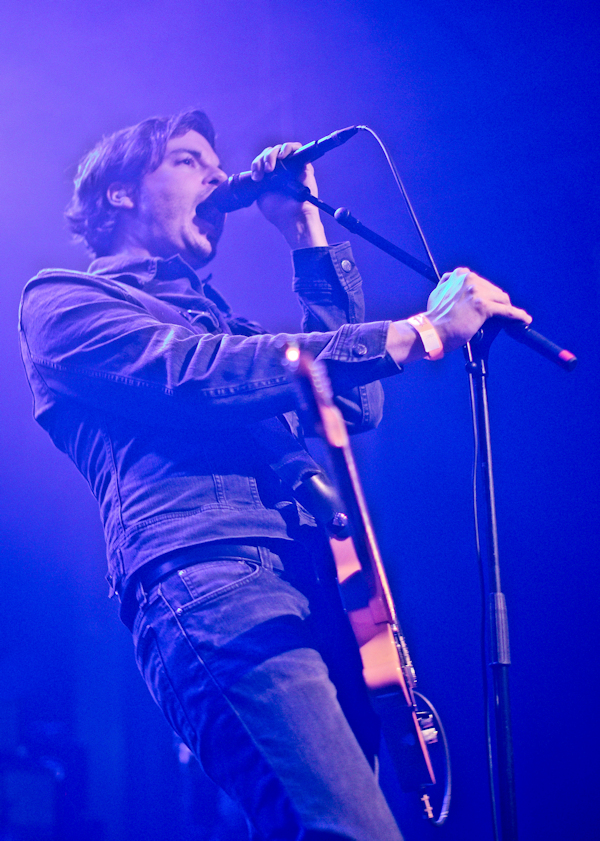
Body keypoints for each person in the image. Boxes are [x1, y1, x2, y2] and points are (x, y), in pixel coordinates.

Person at [18, 109, 531, 841]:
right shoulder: (61, 300)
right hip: (213, 582)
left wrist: (304, 232)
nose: (219, 178)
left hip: (314, 582)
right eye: (189, 161)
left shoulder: (218, 318)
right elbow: (194, 377)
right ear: (120, 193)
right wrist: (418, 330)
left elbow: (352, 403)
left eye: (217, 165)